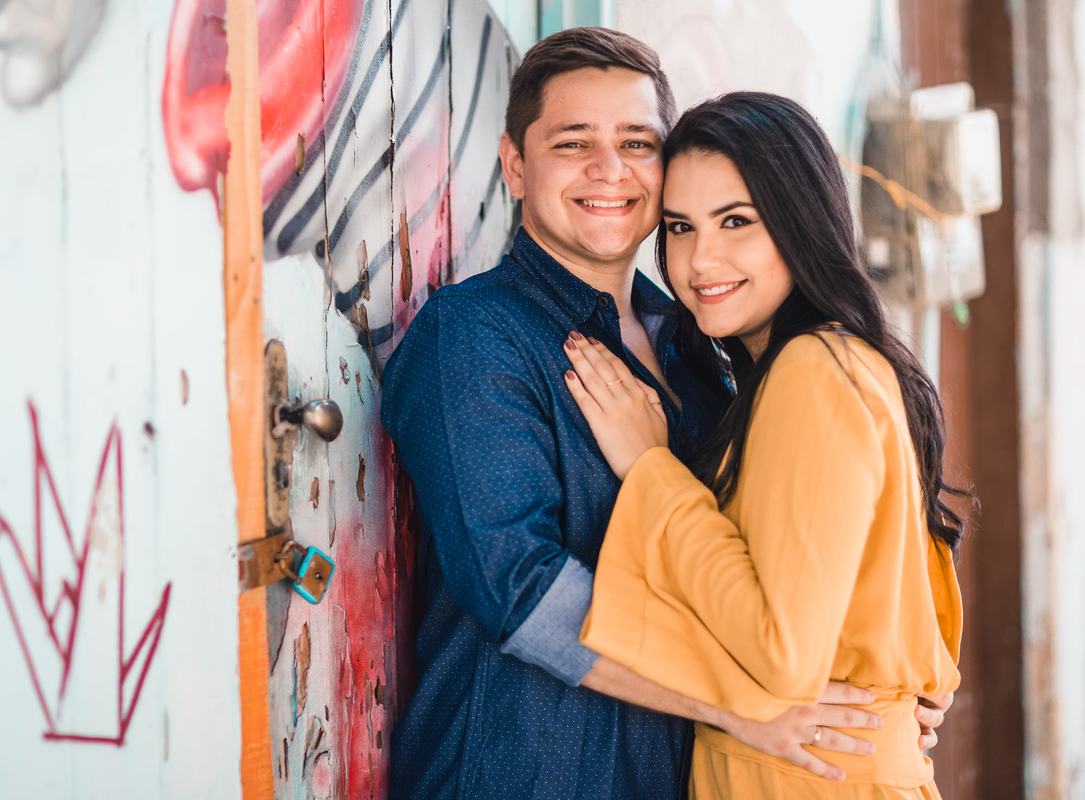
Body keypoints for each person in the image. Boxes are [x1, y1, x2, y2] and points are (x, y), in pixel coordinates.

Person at [382, 30, 951, 800]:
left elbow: (774, 562)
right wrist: (741, 703)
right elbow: (520, 592)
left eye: (636, 142)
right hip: (527, 774)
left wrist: (896, 676)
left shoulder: (703, 351)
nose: (608, 170)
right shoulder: (475, 337)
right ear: (516, 164)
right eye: (573, 142)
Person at [561, 92, 964, 798]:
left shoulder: (814, 372)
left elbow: (782, 656)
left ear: (800, 222)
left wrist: (651, 470)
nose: (698, 259)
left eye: (736, 221)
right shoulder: (825, 368)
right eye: (680, 226)